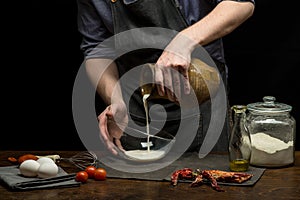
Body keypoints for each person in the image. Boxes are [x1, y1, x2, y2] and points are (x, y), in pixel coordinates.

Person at [76, 0, 255, 155]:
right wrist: (115, 98)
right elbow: (97, 49)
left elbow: (241, 4)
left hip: (200, 98)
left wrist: (183, 41)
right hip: (136, 105)